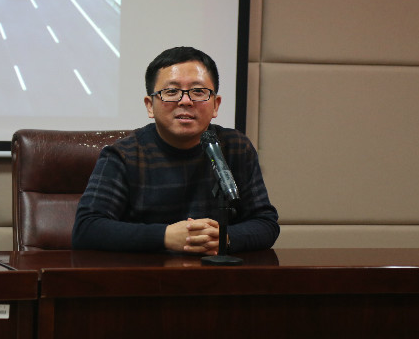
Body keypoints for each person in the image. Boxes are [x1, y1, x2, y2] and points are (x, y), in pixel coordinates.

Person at [72, 46, 279, 255]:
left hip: (216, 272)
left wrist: (224, 238)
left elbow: (265, 223)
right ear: (150, 106)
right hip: (146, 272)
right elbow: (86, 229)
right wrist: (166, 236)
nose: (185, 101)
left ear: (216, 105)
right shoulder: (124, 155)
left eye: (198, 92)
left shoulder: (235, 147)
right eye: (171, 92)